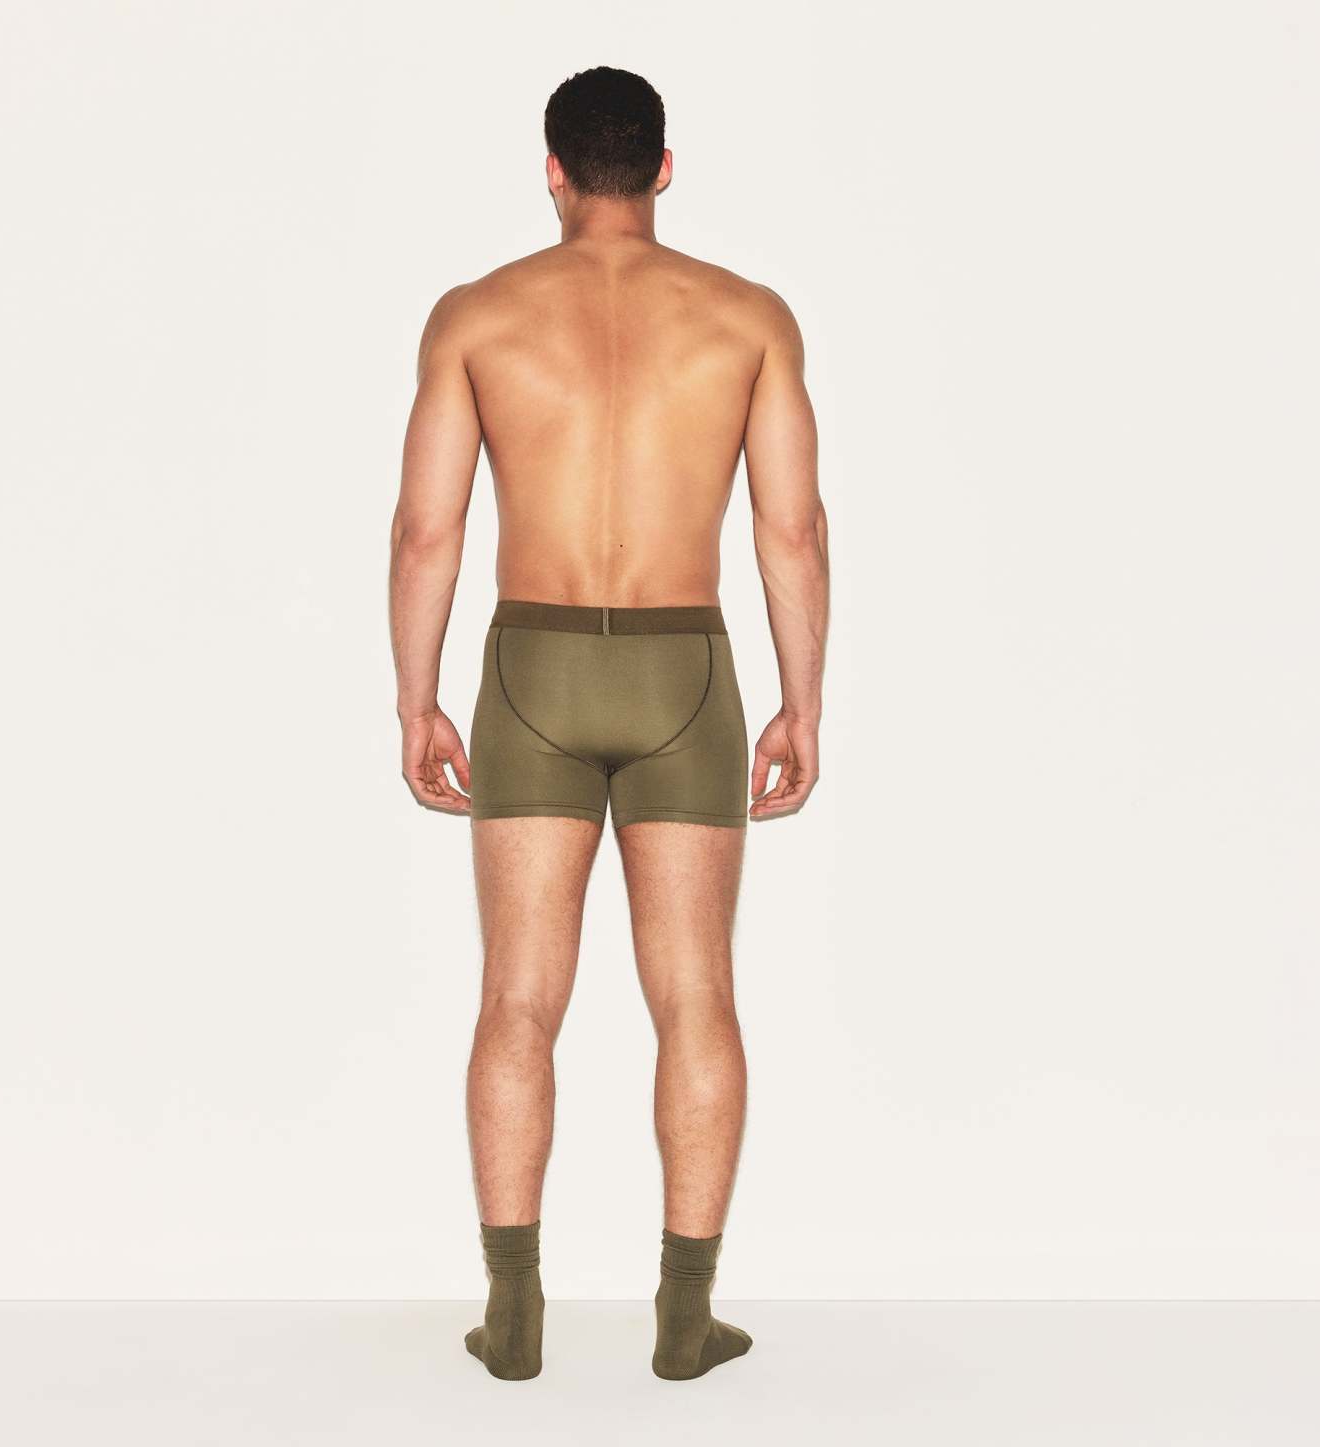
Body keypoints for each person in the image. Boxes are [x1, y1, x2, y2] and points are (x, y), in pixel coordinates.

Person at [388, 65, 827, 1381]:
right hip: (684, 670)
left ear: (553, 171)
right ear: (664, 168)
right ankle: (685, 1318)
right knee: (696, 996)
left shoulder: (477, 315)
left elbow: (426, 530)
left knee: (517, 998)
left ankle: (512, 1312)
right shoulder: (748, 317)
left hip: (531, 669)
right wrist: (803, 702)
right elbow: (790, 530)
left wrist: (417, 698)